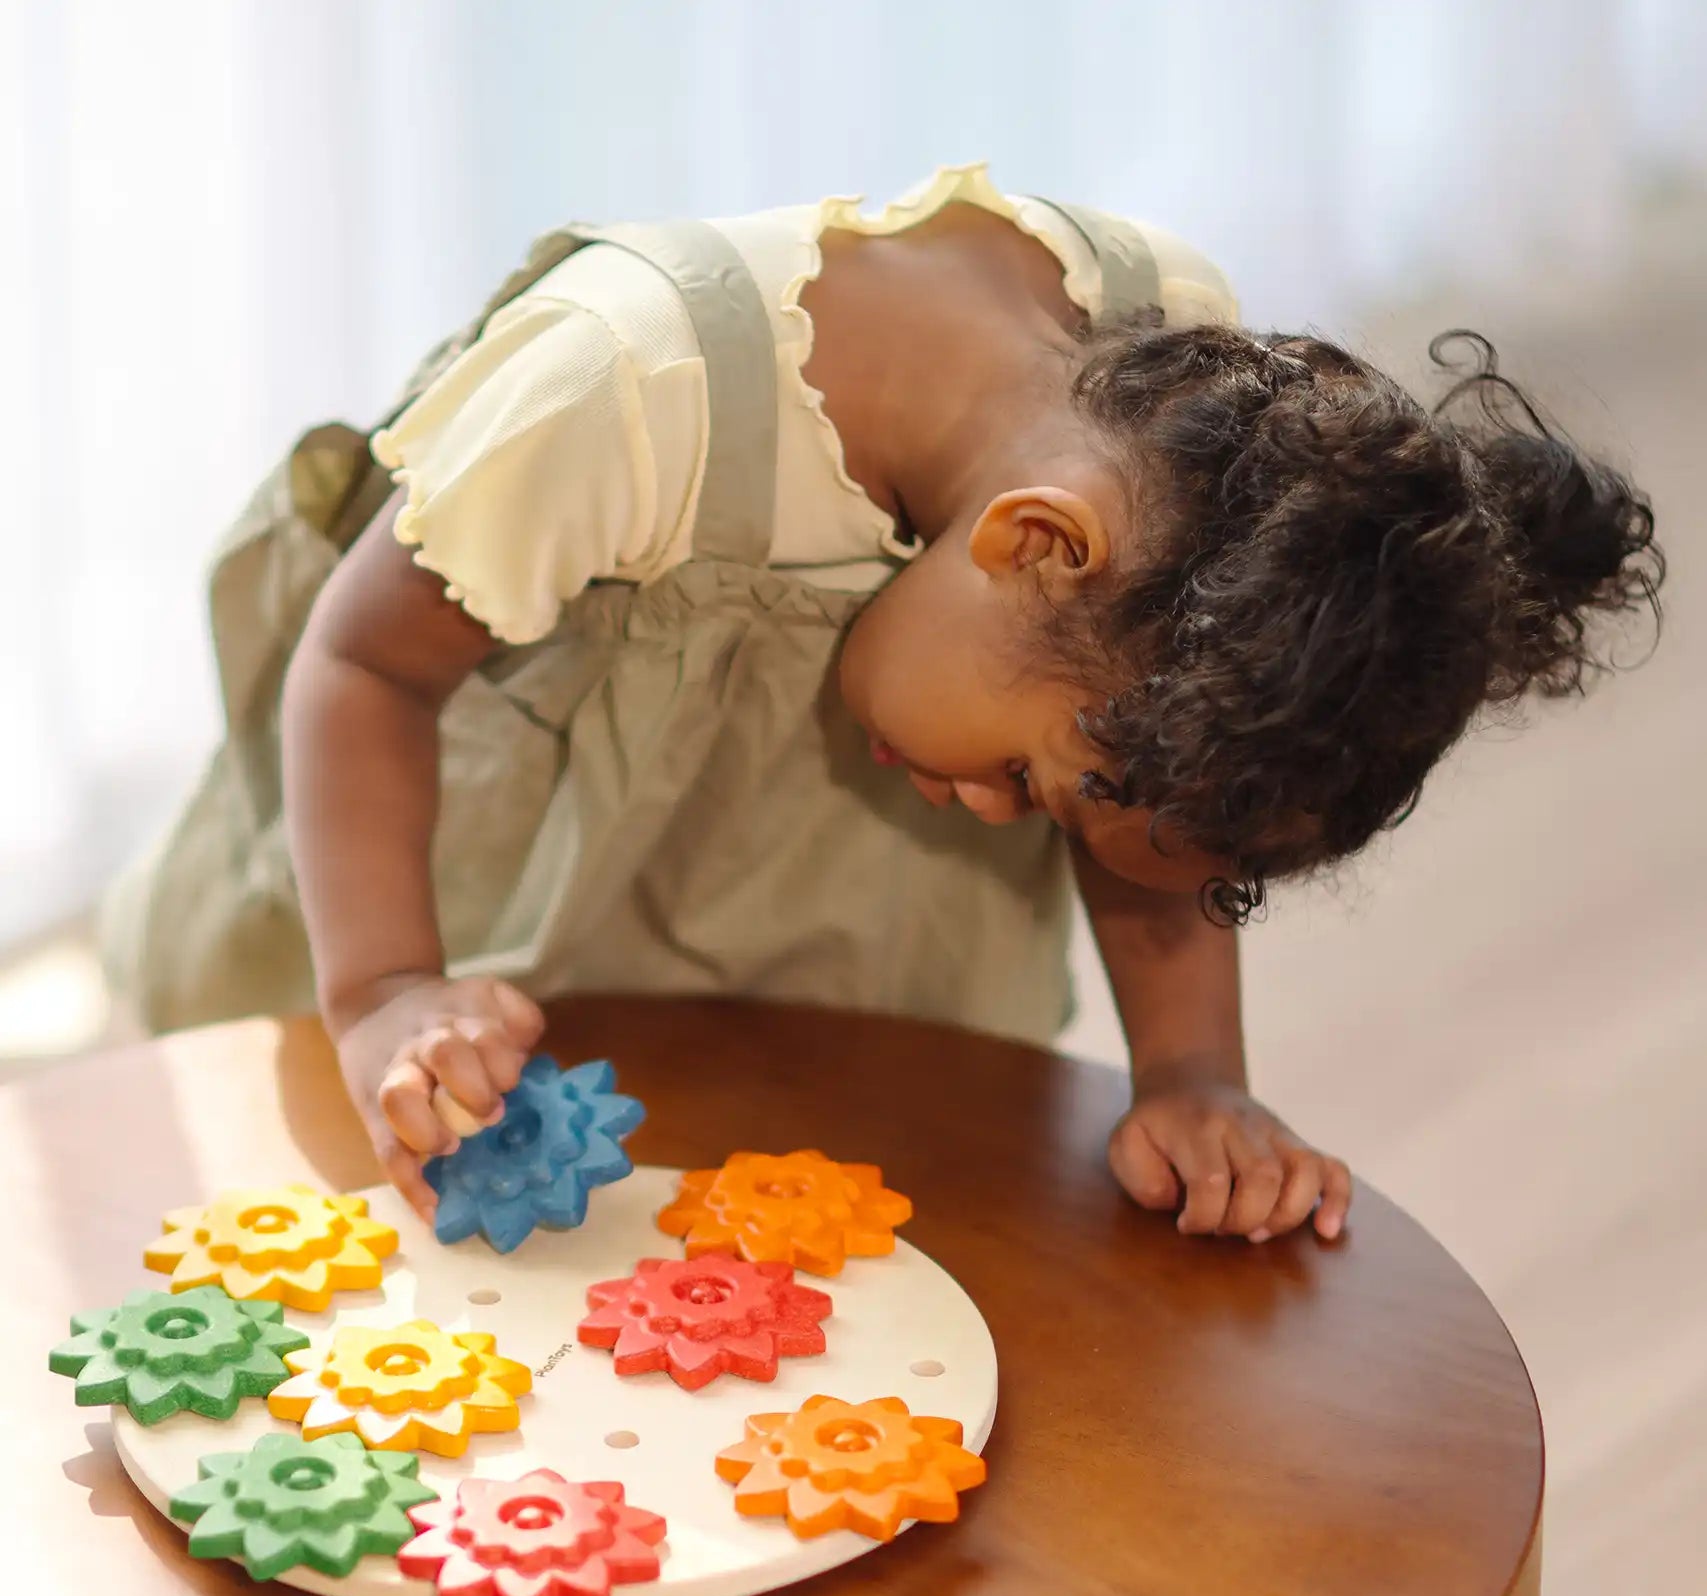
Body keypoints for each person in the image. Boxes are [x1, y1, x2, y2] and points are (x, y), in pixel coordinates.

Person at [108, 164, 1660, 1255]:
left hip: (819, 972)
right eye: (1042, 785)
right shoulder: (622, 390)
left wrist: (1195, 1081)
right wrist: (384, 985)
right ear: (1032, 546)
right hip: (463, 913)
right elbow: (364, 664)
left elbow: (1159, 821)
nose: (998, 819)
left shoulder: (1180, 448)